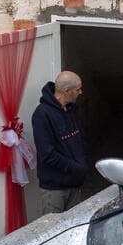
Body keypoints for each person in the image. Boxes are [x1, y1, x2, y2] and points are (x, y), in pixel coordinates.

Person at [31, 71, 88, 215]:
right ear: (66, 91)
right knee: (53, 231)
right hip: (55, 189)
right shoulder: (42, 114)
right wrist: (77, 168)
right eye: (78, 89)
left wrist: (81, 165)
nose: (81, 92)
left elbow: (79, 140)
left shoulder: (71, 110)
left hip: (74, 184)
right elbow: (47, 154)